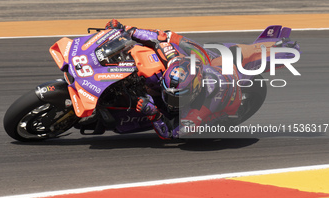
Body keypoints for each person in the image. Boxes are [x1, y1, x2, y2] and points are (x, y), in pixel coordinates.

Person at [104, 19, 299, 139]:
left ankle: (277, 48)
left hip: (226, 93)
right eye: (170, 95)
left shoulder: (199, 111)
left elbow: (172, 134)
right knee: (185, 43)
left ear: (194, 92)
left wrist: (154, 114)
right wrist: (125, 28)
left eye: (176, 98)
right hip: (205, 65)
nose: (170, 100)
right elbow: (160, 38)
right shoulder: (176, 61)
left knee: (235, 56)